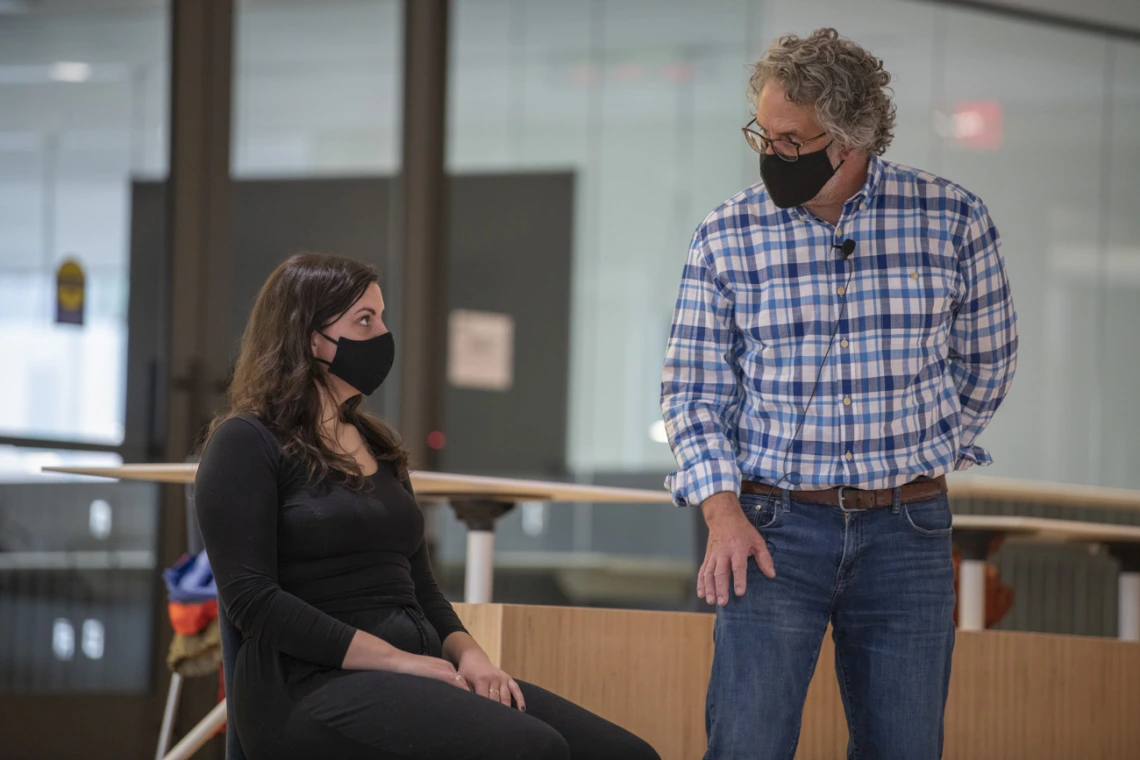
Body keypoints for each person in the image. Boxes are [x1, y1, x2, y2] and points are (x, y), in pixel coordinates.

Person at [661, 28, 1017, 760]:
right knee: (748, 744)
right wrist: (723, 512)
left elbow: (988, 360)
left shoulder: (951, 219)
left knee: (904, 746)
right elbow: (691, 390)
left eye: (790, 140)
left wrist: (925, 451)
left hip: (908, 534)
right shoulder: (726, 234)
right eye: (761, 131)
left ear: (851, 137)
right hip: (770, 530)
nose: (770, 153)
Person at [195, 252, 659, 760]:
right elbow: (252, 600)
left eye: (382, 317)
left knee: (626, 754)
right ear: (309, 338)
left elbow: (421, 588)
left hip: (414, 669)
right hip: (307, 684)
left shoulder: (377, 443)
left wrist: (474, 658)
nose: (382, 335)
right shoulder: (245, 441)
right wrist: (395, 662)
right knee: (533, 749)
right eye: (364, 320)